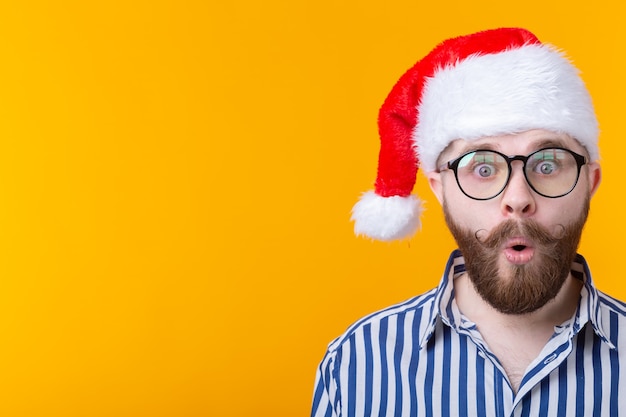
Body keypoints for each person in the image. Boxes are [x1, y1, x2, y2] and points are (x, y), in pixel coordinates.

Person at [310, 27, 626, 416]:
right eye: (482, 168)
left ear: (589, 183)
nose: (517, 199)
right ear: (439, 189)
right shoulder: (355, 366)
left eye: (547, 165)